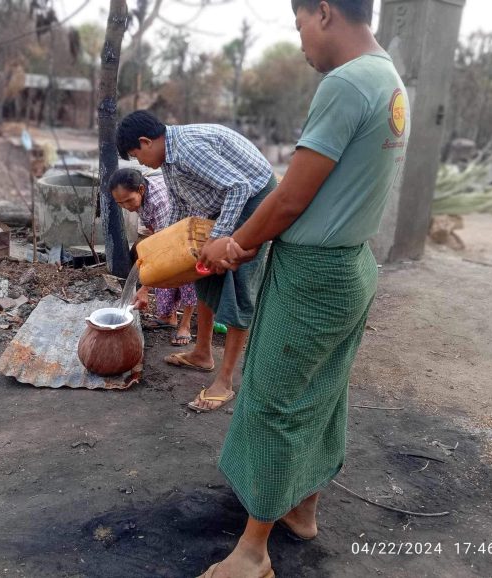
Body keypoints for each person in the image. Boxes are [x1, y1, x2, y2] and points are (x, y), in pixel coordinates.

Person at [195, 0, 410, 576]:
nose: (300, 43)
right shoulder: (389, 80)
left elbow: (292, 197)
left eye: (297, 27)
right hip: (351, 266)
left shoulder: (346, 83)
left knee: (273, 400)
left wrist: (231, 245)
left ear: (322, 12)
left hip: (314, 274)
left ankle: (251, 551)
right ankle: (302, 507)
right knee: (321, 394)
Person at [116, 111, 278, 413]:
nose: (141, 165)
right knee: (201, 269)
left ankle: (225, 381)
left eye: (138, 157)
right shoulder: (168, 160)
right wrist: (162, 254)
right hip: (225, 201)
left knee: (238, 284)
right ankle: (203, 353)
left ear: (146, 141)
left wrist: (218, 238)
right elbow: (179, 208)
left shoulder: (188, 149)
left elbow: (239, 187)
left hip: (255, 200)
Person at [108, 167, 197, 346]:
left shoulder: (159, 201)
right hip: (167, 232)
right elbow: (155, 236)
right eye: (120, 203)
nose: (126, 206)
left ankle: (185, 324)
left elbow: (166, 246)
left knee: (185, 275)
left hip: (188, 233)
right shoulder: (140, 198)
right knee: (161, 270)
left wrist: (145, 288)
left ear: (141, 189)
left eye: (128, 201)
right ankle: (168, 316)